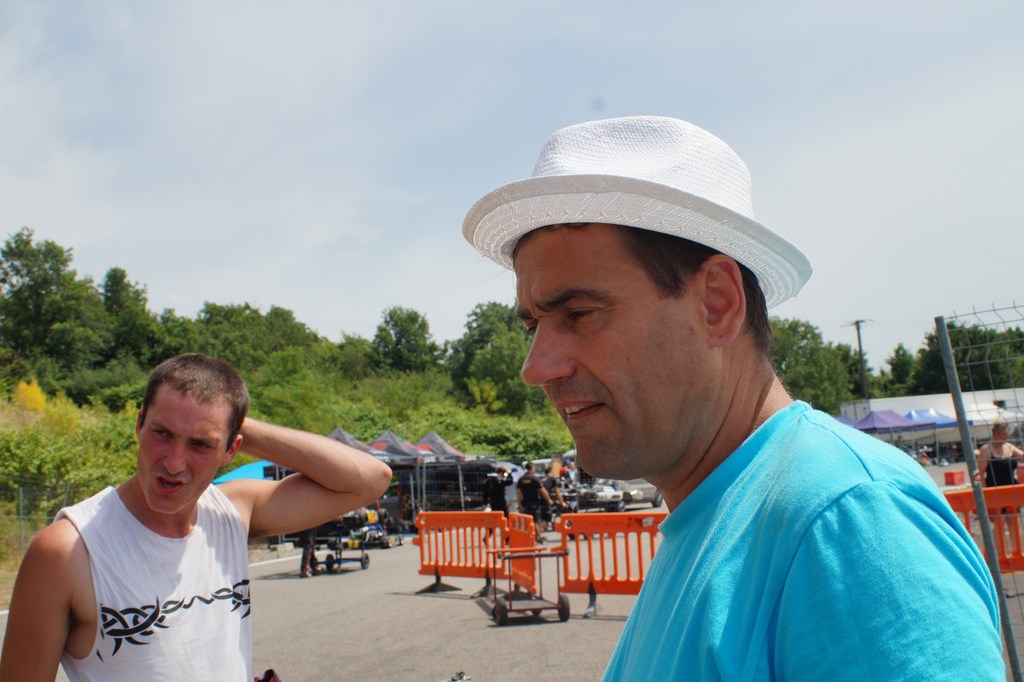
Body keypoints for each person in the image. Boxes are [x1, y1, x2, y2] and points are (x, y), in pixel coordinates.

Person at [461, 116, 1004, 679]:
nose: (536, 368)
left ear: (717, 303)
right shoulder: (732, 516)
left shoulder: (849, 522)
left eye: (579, 313)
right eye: (535, 326)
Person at [0, 353, 392, 682]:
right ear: (139, 423)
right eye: (163, 433)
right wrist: (208, 424)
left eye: (200, 444)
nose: (174, 464)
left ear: (231, 451)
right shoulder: (69, 549)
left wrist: (231, 421)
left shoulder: (233, 511)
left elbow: (371, 479)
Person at [978, 420, 1023, 487]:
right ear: (996, 434)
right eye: (1005, 434)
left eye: (1008, 434)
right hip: (995, 489)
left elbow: (1022, 458)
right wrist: (985, 491)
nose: (1007, 436)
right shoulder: (986, 450)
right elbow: (980, 473)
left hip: (1012, 488)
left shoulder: (1009, 447)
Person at [516, 461, 551, 541]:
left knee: (528, 519)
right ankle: (539, 536)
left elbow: (519, 493)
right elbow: (542, 490)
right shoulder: (534, 478)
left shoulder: (521, 479)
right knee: (535, 520)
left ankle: (533, 536)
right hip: (534, 502)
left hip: (525, 502)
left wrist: (520, 504)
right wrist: (548, 499)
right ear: (532, 468)